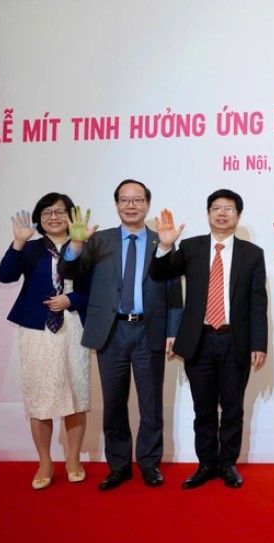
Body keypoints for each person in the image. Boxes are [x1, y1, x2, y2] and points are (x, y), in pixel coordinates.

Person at [58, 179, 182, 491]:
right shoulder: (98, 240)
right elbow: (70, 272)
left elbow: (173, 290)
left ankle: (149, 464)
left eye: (137, 200)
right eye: (124, 200)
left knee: (151, 403)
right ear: (116, 205)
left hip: (149, 330)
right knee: (113, 402)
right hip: (111, 331)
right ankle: (119, 466)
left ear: (148, 205)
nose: (131, 205)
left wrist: (172, 330)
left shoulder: (162, 240)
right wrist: (76, 245)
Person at [149, 189, 268, 489]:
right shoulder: (191, 247)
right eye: (216, 208)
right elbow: (160, 273)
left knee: (232, 408)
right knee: (203, 409)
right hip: (199, 340)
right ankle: (205, 464)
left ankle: (227, 464)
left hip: (235, 341)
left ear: (238, 215)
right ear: (208, 213)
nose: (222, 214)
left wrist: (259, 343)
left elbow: (258, 302)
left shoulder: (253, 254)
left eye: (229, 209)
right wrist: (165, 246)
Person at [0, 193, 91, 489]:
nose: (53, 217)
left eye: (60, 211)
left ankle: (73, 459)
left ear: (70, 216)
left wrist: (71, 299)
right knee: (40, 397)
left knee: (75, 394)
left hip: (74, 327)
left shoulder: (85, 245)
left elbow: (98, 289)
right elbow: (4, 276)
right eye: (47, 212)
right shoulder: (30, 248)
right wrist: (18, 242)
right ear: (39, 217)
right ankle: (45, 462)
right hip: (37, 330)